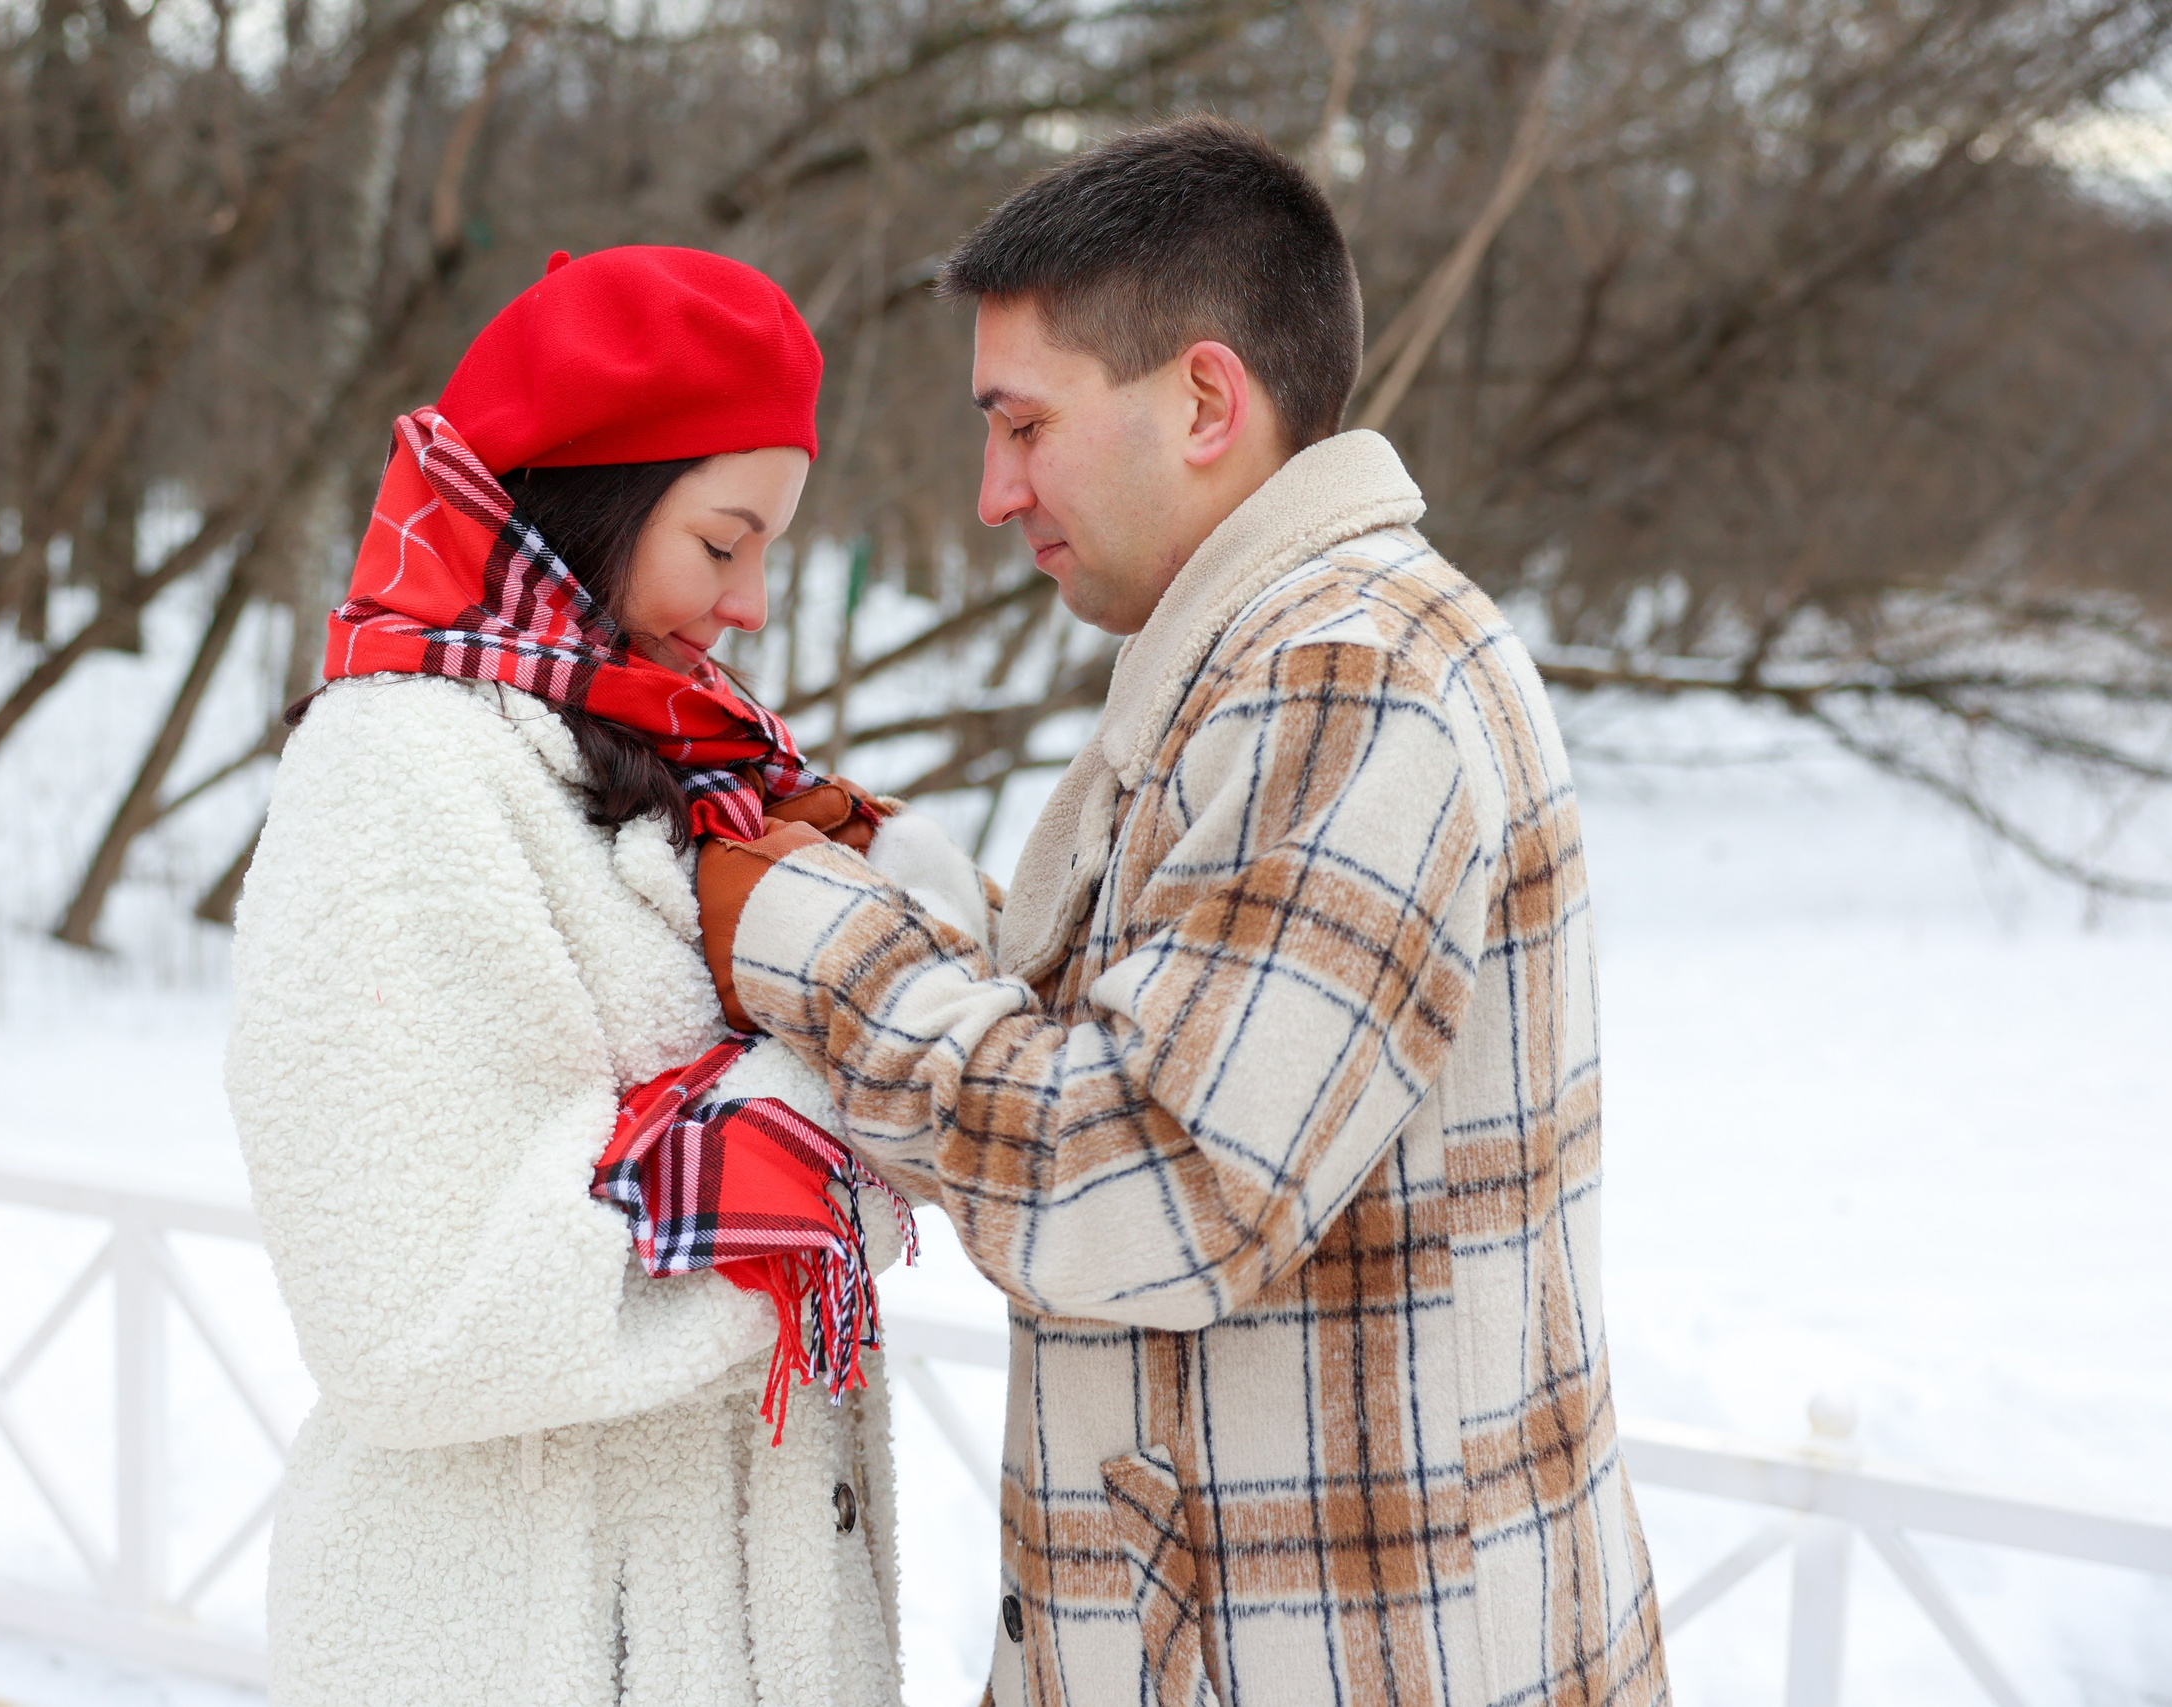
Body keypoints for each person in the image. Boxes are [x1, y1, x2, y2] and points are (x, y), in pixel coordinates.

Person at [696, 119, 1672, 1706]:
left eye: (1025, 425)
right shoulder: (1279, 653)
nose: (995, 492)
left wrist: (817, 943)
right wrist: (902, 886)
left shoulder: (1349, 679)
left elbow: (1145, 1187)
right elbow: (1162, 1028)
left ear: (1208, 402)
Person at [225, 246, 940, 1707]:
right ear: (600, 503)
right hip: (532, 1633)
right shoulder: (398, 767)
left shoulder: (687, 748)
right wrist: (853, 1093)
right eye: (724, 544)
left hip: (732, 1618)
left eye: (771, 550)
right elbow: (407, 1312)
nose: (752, 603)